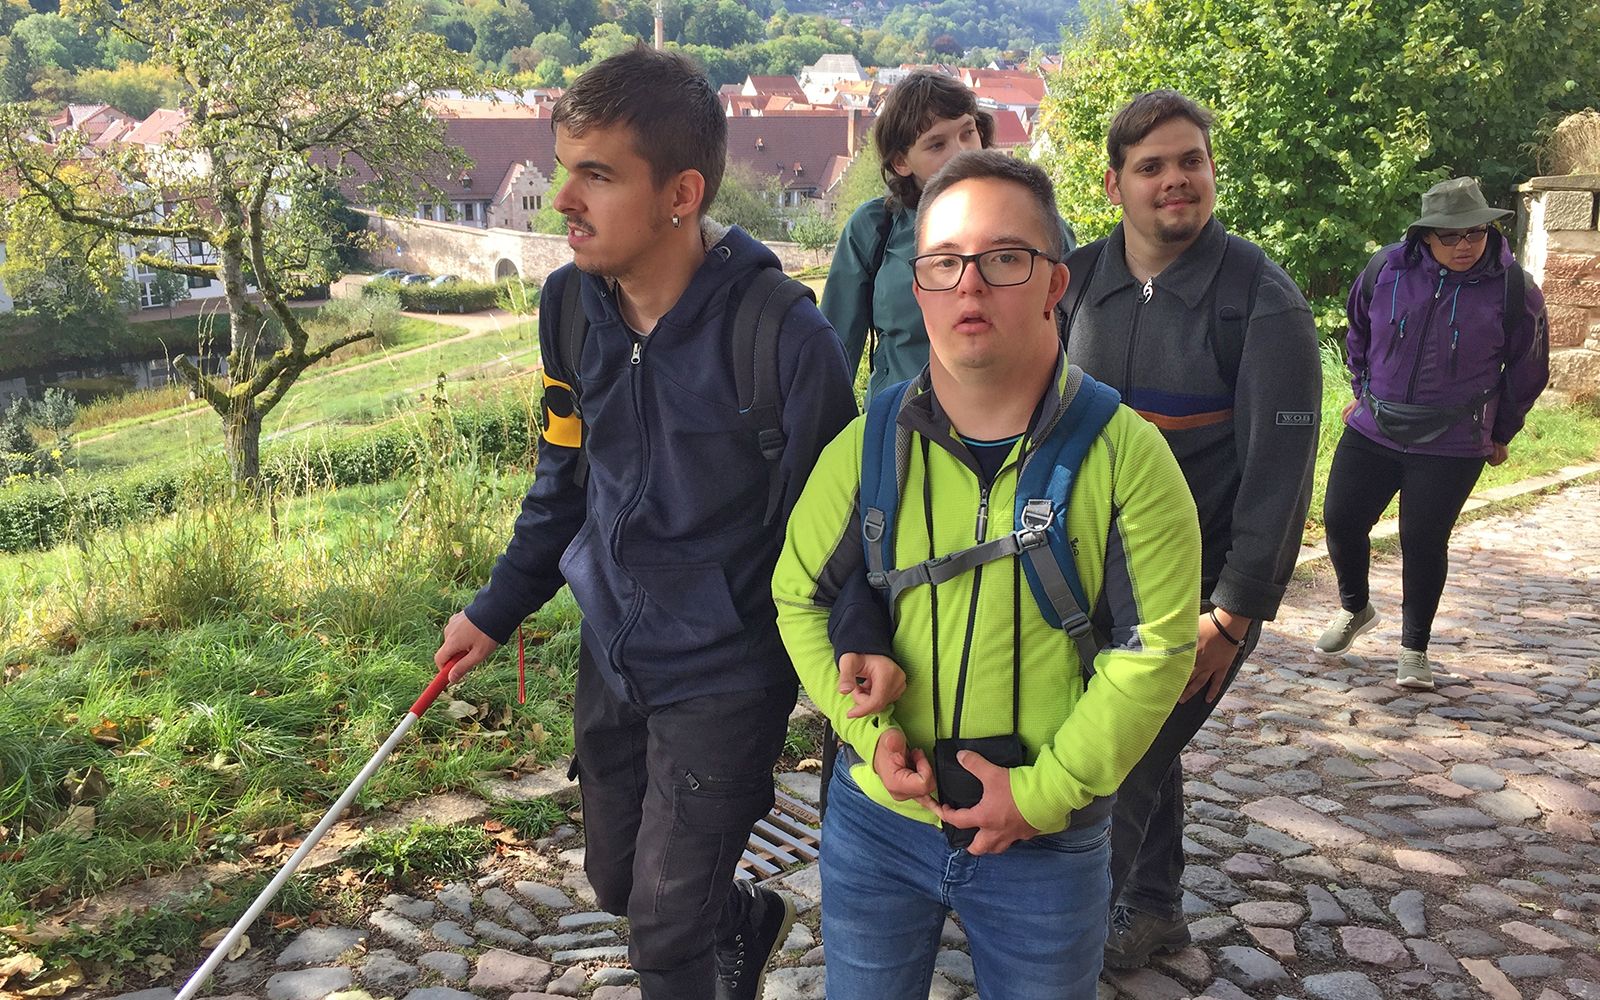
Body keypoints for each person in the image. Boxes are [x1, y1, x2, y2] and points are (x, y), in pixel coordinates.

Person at [432, 47, 857, 1000]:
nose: (561, 200)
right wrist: (497, 608)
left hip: (728, 671)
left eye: (597, 174)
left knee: (665, 937)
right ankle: (744, 923)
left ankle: (701, 951)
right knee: (620, 882)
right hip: (615, 653)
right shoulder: (568, 309)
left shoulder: (784, 336)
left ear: (682, 192)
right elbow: (563, 475)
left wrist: (842, 678)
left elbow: (838, 534)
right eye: (562, 168)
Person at [773, 149, 1201, 1000]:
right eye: (944, 263)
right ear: (918, 287)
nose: (970, 286)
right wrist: (867, 736)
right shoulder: (867, 444)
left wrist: (1040, 797)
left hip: (1050, 845)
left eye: (1004, 259)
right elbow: (799, 595)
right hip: (877, 826)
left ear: (1054, 283)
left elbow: (1155, 651)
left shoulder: (1126, 456)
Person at [1058, 90, 1323, 969]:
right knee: (1142, 743)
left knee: (1121, 758)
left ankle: (1064, 944)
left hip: (1194, 600)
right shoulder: (1076, 282)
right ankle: (1158, 906)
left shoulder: (1261, 300)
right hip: (1082, 580)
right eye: (1152, 166)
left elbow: (1280, 477)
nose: (1176, 181)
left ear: (1212, 171)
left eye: (1191, 162)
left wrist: (1234, 613)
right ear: (1113, 184)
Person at [1317, 176, 1549, 690]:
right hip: (1375, 425)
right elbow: (1359, 330)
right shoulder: (1386, 269)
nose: (1465, 244)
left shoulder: (1515, 289)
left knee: (1422, 539)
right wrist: (1360, 385)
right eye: (1451, 236)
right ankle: (1355, 608)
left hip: (1454, 440)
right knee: (1340, 518)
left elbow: (1529, 368)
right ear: (1425, 236)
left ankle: (1413, 650)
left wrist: (1502, 429)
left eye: (1476, 233)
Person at [823, 72, 1075, 401]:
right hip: (898, 427)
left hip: (1019, 426)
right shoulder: (873, 229)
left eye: (967, 133)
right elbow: (833, 355)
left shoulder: (1036, 223)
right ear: (901, 162)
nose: (961, 153)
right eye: (937, 144)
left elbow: (1074, 336)